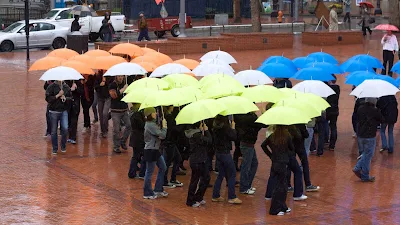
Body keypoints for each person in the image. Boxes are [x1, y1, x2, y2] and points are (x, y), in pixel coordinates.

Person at [261, 125, 293, 216]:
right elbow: (292, 149)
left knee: (278, 185)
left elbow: (263, 145)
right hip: (283, 163)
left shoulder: (272, 136)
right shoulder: (287, 136)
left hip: (275, 162)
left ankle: (283, 206)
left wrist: (270, 155)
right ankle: (275, 209)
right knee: (282, 187)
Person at [212, 115, 242, 204]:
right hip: (225, 153)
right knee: (232, 174)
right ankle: (232, 197)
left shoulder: (215, 126)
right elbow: (233, 137)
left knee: (221, 174)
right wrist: (233, 128)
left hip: (218, 152)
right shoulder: (225, 127)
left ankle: (215, 195)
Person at [235, 112, 265, 195]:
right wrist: (264, 115)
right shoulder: (251, 118)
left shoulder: (244, 117)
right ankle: (244, 187)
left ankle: (247, 185)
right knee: (247, 166)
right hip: (248, 145)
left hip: (247, 144)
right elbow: (262, 125)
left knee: (253, 164)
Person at [353, 98, 382, 182]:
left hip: (360, 134)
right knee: (368, 154)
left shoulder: (360, 108)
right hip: (370, 135)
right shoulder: (375, 110)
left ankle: (365, 175)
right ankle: (358, 168)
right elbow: (381, 119)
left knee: (365, 154)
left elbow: (356, 117)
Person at [185, 121, 212, 207]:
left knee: (205, 178)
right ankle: (190, 200)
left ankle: (198, 197)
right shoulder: (196, 135)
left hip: (199, 160)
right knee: (195, 180)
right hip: (197, 161)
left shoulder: (195, 134)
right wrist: (206, 131)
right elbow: (209, 141)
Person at [143, 107, 168, 199]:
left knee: (163, 167)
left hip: (155, 149)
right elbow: (162, 135)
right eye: (154, 112)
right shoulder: (150, 125)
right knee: (149, 172)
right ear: (150, 114)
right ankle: (147, 192)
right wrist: (164, 127)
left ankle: (158, 188)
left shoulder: (152, 124)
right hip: (151, 150)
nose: (156, 114)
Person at [287, 125, 320, 192]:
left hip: (290, 147)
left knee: (289, 166)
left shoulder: (288, 125)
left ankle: (288, 185)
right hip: (300, 146)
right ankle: (308, 184)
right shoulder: (300, 124)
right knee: (305, 164)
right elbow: (306, 135)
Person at [45, 81, 72, 155]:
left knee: (65, 128)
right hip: (53, 111)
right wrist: (57, 95)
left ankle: (63, 145)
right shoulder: (51, 87)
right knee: (54, 131)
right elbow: (48, 99)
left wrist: (65, 98)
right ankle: (55, 148)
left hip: (63, 111)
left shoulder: (66, 87)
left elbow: (71, 98)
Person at [108, 75, 132, 153]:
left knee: (129, 125)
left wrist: (128, 91)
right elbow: (114, 96)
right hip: (115, 111)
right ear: (116, 77)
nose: (121, 78)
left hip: (124, 109)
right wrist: (123, 89)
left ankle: (123, 141)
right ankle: (116, 146)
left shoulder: (125, 83)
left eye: (122, 76)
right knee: (116, 130)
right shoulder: (112, 85)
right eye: (119, 76)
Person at [162, 106, 183, 188]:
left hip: (171, 142)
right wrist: (181, 125)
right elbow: (174, 129)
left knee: (177, 159)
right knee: (168, 162)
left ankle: (172, 179)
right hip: (169, 142)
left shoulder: (166, 117)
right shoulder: (169, 117)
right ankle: (165, 181)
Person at [128, 103, 146, 179]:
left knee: (136, 155)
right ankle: (134, 172)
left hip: (135, 138)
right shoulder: (137, 115)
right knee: (138, 156)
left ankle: (134, 171)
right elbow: (142, 125)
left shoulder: (132, 113)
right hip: (138, 138)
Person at [94, 71, 112, 138]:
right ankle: (103, 131)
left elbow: (111, 86)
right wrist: (100, 85)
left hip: (107, 97)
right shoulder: (98, 76)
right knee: (101, 115)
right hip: (100, 98)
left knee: (105, 114)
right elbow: (95, 87)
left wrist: (105, 82)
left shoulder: (110, 76)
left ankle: (105, 130)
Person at [66, 80, 83, 144]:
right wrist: (70, 89)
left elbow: (82, 92)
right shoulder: (65, 82)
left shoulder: (78, 82)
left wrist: (76, 89)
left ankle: (73, 137)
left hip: (75, 104)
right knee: (68, 120)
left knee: (74, 120)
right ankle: (70, 135)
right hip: (67, 104)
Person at [326, 77, 340, 151]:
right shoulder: (337, 88)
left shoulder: (326, 88)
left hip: (327, 109)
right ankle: (332, 145)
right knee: (333, 127)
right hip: (335, 110)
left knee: (325, 125)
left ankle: (325, 140)